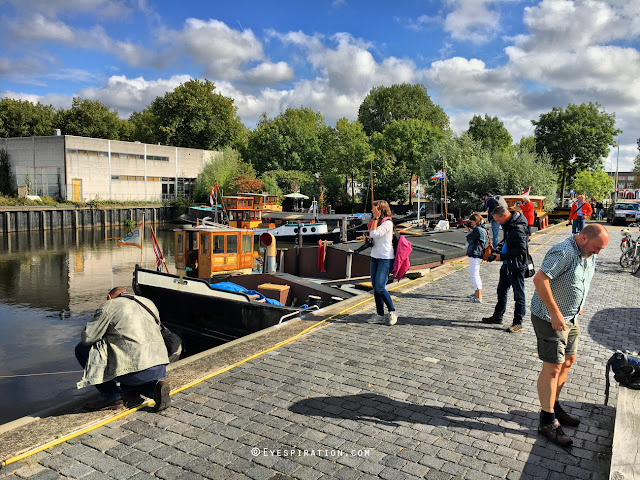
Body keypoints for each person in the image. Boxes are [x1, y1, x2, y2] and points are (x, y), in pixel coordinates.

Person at [530, 224, 609, 447]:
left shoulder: (588, 252)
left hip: (571, 317)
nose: (598, 253)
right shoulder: (563, 251)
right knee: (553, 367)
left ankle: (554, 405)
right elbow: (540, 280)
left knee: (568, 361)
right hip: (549, 318)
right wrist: (555, 312)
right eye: (596, 247)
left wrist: (579, 304)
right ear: (583, 238)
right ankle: (547, 420)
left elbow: (582, 279)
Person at [76, 286, 171, 412]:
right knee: (132, 377)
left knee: (82, 349)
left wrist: (94, 320)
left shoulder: (109, 306)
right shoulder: (147, 302)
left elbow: (87, 338)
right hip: (159, 366)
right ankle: (154, 389)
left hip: (135, 369)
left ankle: (111, 396)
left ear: (109, 297)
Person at [481, 205, 529, 333]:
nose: (497, 222)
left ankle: (518, 323)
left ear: (504, 215)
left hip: (516, 266)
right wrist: (498, 249)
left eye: (497, 220)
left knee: (519, 295)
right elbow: (506, 240)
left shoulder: (517, 228)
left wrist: (502, 256)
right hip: (507, 264)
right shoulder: (510, 224)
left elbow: (521, 249)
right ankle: (498, 316)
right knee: (501, 290)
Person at [366, 200, 398, 326]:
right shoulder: (378, 222)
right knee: (375, 288)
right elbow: (371, 234)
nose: (371, 210)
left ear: (380, 210)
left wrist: (375, 218)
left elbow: (374, 233)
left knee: (380, 287)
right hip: (375, 256)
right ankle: (380, 314)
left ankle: (392, 311)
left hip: (385, 258)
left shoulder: (387, 223)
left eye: (374, 208)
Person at [465, 213, 488, 303]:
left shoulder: (477, 230)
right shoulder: (483, 228)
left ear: (475, 221)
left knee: (474, 274)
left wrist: (469, 231)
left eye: (471, 222)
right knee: (476, 274)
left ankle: (478, 296)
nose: (471, 224)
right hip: (479, 253)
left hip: (475, 253)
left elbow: (469, 239)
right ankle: (477, 293)